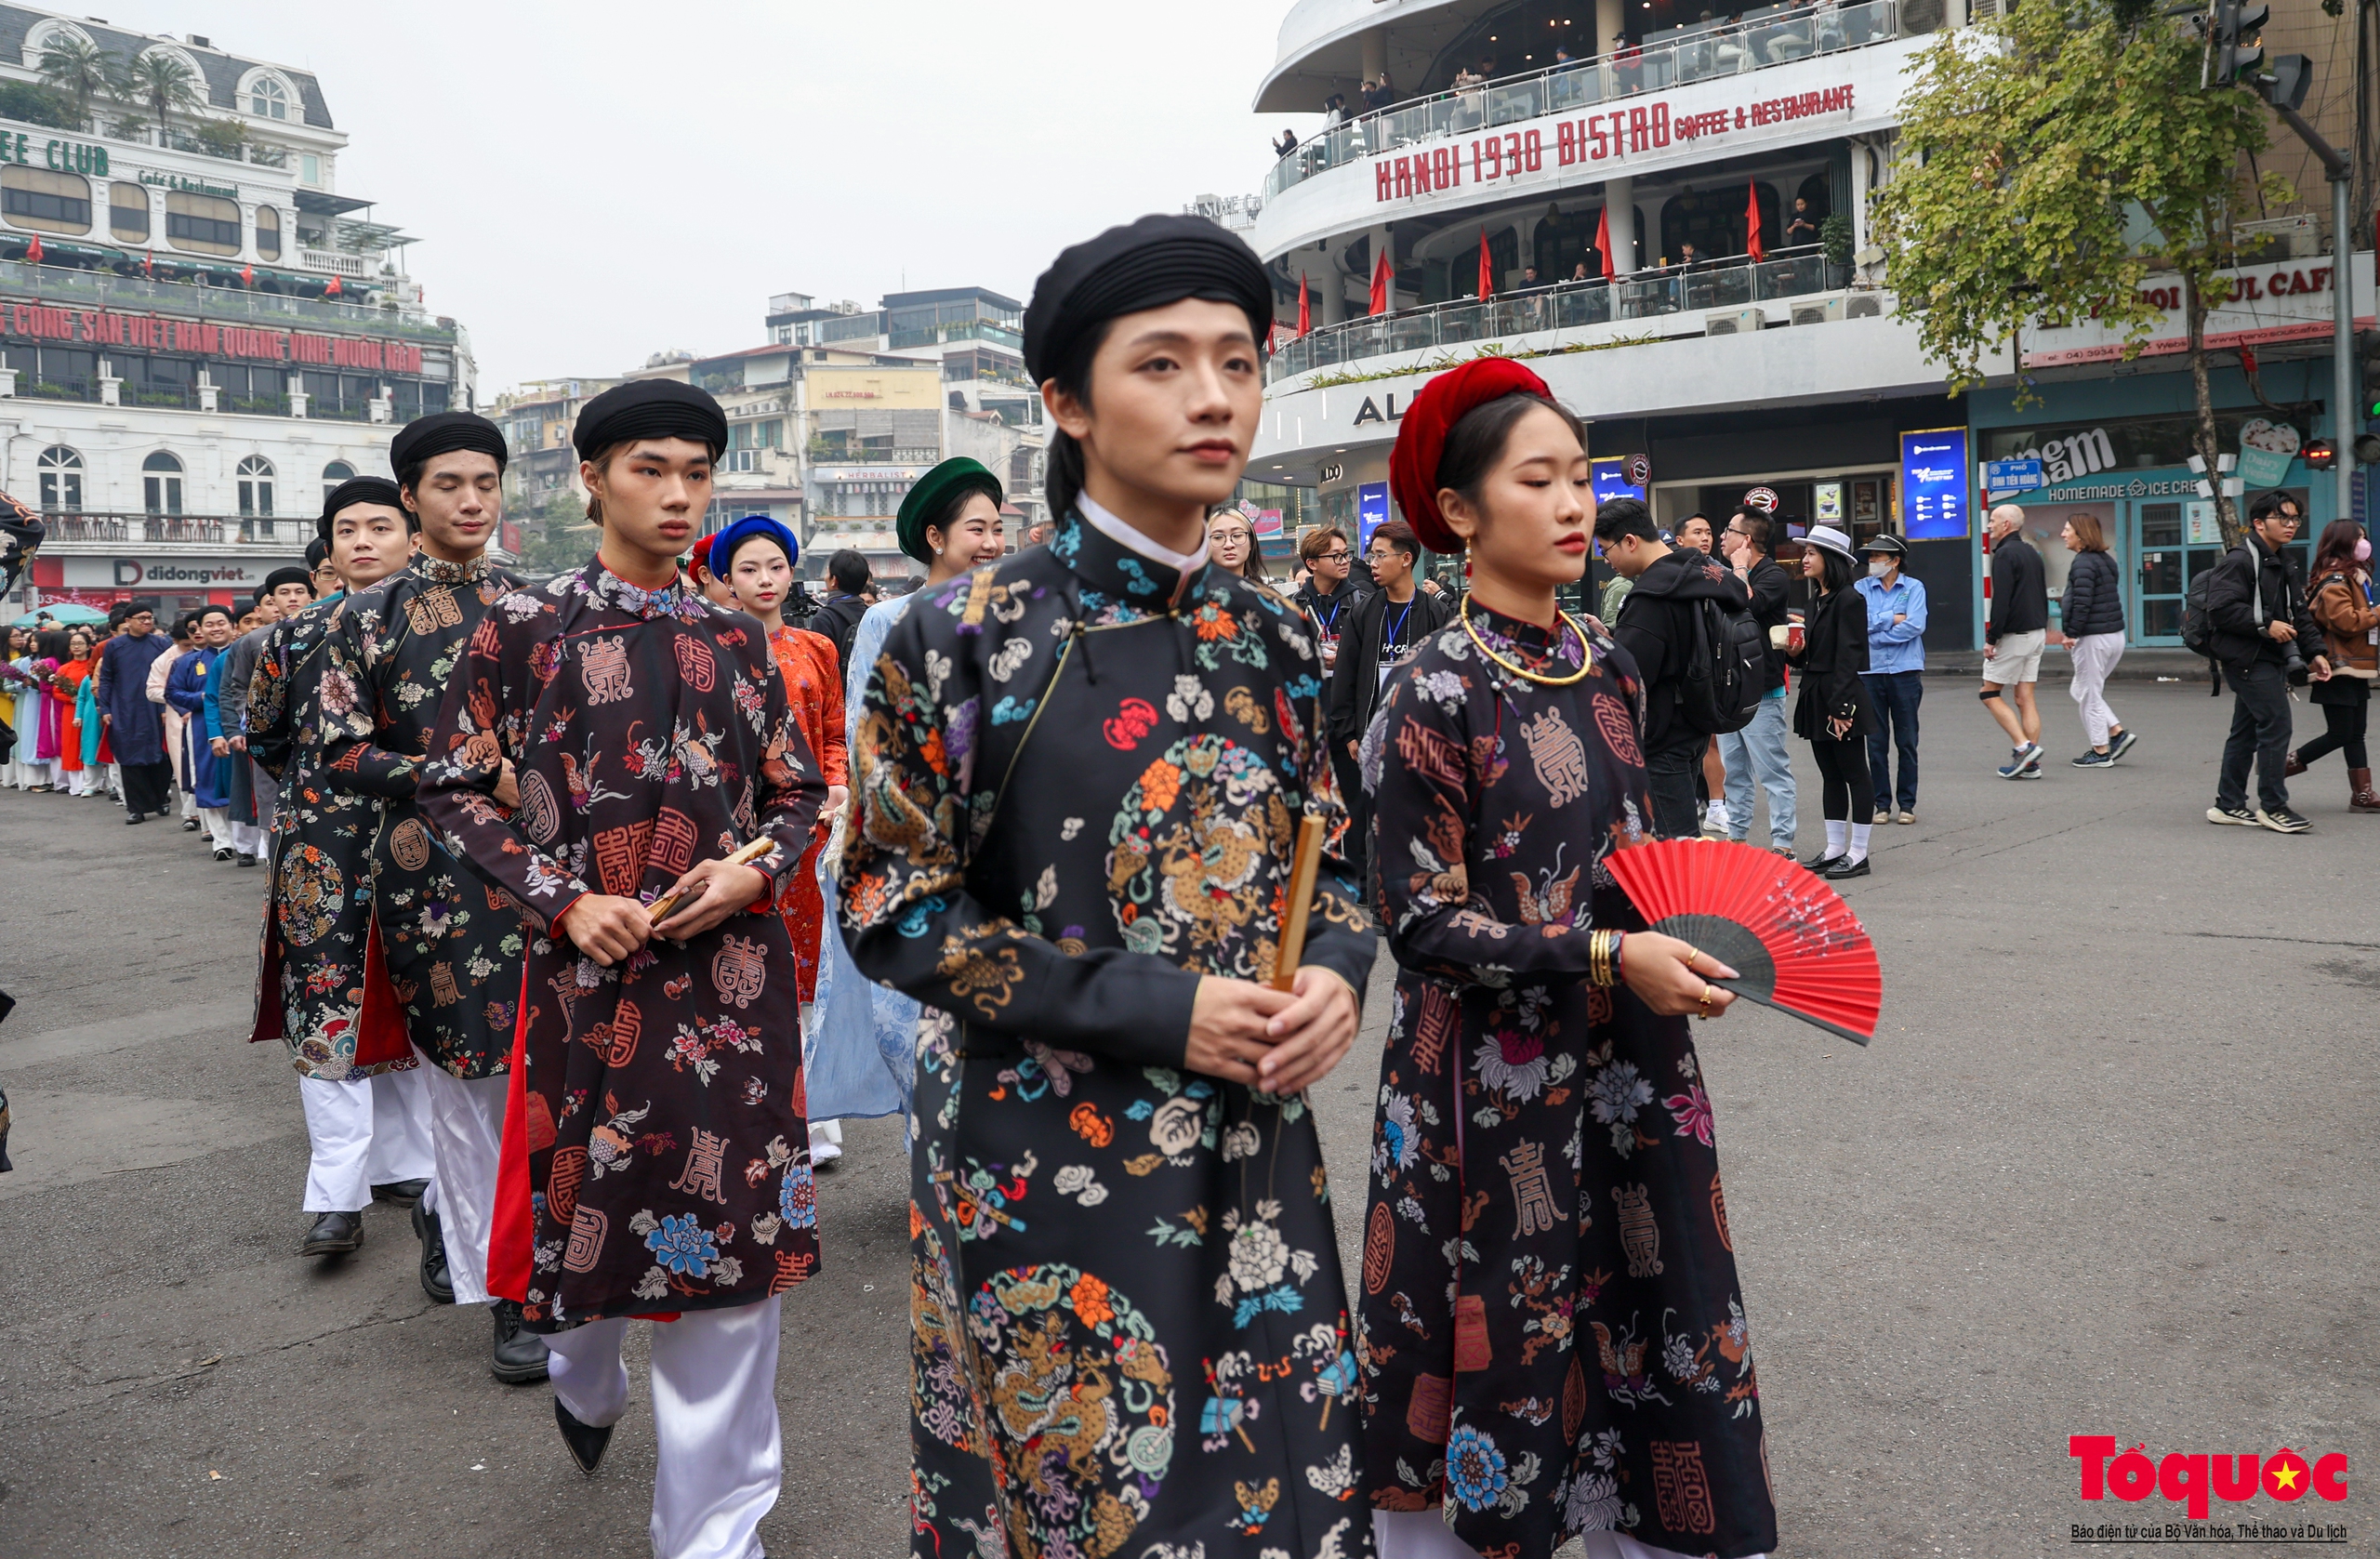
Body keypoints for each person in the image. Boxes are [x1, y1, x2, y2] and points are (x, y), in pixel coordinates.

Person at [841, 212, 1373, 1558]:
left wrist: (1334, 975)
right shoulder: (960, 631)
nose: (1213, 396)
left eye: (1239, 361)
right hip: (1039, 1161)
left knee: (1282, 1493)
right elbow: (891, 906)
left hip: (1256, 1146)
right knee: (1086, 1505)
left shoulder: (1285, 634)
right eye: (1163, 363)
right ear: (1066, 401)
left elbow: (1344, 853)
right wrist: (1151, 1008)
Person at [1366, 355, 1777, 1559]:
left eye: (1581, 477)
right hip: (1484, 1093)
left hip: (1633, 1070)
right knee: (1501, 1328)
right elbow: (1420, 923)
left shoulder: (1610, 662)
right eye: (1535, 479)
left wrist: (1678, 945)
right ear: (1457, 512)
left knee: (1656, 1310)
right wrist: (1607, 957)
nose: (1571, 503)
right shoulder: (1428, 690)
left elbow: (1630, 853)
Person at [416, 377, 826, 1558]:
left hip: (735, 989)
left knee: (734, 1264)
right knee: (588, 1244)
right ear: (590, 477)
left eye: (699, 473)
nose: (680, 494)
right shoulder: (525, 627)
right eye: (653, 469)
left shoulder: (740, 638)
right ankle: (579, 1372)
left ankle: (714, 1535)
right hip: (587, 988)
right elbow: (448, 783)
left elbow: (798, 791)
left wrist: (759, 874)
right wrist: (562, 900)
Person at [317, 412, 549, 1382]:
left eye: (485, 483)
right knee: (472, 1089)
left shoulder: (545, 608)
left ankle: (483, 1238)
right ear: (409, 496)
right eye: (448, 484)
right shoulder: (360, 620)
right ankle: (507, 1295)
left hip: (543, 879)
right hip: (432, 880)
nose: (470, 501)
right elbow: (340, 755)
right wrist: (469, 772)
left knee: (544, 1084)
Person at [246, 478, 436, 1258]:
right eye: (345, 528)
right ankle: (336, 1194)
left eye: (379, 525)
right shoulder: (294, 634)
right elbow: (266, 734)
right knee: (326, 1004)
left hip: (430, 840)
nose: (361, 540)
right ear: (328, 547)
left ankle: (415, 1166)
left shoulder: (448, 626)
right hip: (319, 846)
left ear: (412, 536)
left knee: (428, 998)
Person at [809, 458, 1013, 1157]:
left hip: (1010, 848)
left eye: (998, 528)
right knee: (916, 1020)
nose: (991, 541)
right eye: (975, 528)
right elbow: (871, 741)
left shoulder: (1021, 616)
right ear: (934, 534)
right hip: (917, 852)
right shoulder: (887, 621)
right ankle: (932, 1163)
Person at [707, 513, 853, 1170]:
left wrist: (838, 784)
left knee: (809, 980)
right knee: (744, 976)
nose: (765, 579)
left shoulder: (817, 648)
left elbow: (832, 733)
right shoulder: (709, 647)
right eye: (749, 569)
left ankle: (815, 1123)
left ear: (792, 571)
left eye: (775, 566)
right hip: (740, 838)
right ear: (727, 581)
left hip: (814, 833)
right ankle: (751, 1118)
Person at [1598, 495, 1752, 838]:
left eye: (1606, 549)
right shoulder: (1702, 571)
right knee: (1682, 842)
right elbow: (1737, 596)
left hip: (1662, 737)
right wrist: (1612, 634)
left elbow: (1628, 677)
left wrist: (1601, 648)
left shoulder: (1651, 598)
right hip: (1697, 721)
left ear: (1630, 541)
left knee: (1677, 849)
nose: (1606, 560)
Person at [1330, 518, 1454, 879]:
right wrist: (1350, 732)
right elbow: (1346, 674)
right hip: (1373, 732)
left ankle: (1419, 893)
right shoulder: (1364, 612)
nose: (1372, 563)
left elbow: (1448, 675)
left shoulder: (1435, 612)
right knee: (1375, 822)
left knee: (1421, 818)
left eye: (1380, 555)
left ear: (1406, 559)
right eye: (1371, 555)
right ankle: (1381, 903)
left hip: (1422, 734)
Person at [2205, 491, 2331, 832]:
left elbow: (2299, 614)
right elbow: (2220, 608)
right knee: (2276, 725)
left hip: (2268, 657)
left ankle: (2228, 804)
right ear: (2259, 524)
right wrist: (2265, 624)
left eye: (2295, 519)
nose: (2291, 525)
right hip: (2246, 657)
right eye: (2283, 519)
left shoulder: (2283, 560)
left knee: (2246, 732)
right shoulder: (2240, 560)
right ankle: (2273, 806)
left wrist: (2316, 652)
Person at [1788, 523, 1875, 878]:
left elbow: (1848, 657)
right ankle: (1836, 847)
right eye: (1805, 552)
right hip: (1816, 692)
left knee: (1855, 773)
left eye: (1811, 552)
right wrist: (1794, 653)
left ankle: (1859, 852)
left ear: (1832, 558)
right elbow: (1814, 656)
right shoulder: (1816, 600)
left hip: (1841, 695)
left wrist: (1841, 709)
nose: (1804, 558)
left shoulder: (1850, 599)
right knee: (1830, 774)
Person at [218, 569, 316, 861]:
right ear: (271, 601)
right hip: (274, 738)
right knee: (274, 801)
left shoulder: (330, 630)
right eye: (284, 593)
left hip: (321, 733)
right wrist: (253, 723)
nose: (293, 598)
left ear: (310, 594)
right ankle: (276, 863)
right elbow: (239, 686)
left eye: (299, 591)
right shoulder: (253, 642)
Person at [1714, 509, 1797, 854]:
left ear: (1746, 540)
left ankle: (1783, 844)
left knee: (1772, 771)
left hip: (1762, 690)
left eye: (1728, 530)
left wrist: (1740, 567)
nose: (1721, 536)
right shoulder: (1722, 572)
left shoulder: (1772, 575)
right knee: (1734, 771)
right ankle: (1736, 836)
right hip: (1727, 689)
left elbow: (1745, 602)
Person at [2285, 519, 2378, 812]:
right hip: (2336, 666)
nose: (2364, 543)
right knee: (2340, 732)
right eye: (2358, 537)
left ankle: (2362, 796)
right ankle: (2279, 767)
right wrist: (2377, 614)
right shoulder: (2335, 580)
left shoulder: (2355, 578)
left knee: (2356, 732)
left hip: (2355, 665)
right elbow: (2346, 621)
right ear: (2342, 543)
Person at [1856, 535, 1927, 821]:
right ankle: (1881, 804)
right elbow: (1858, 623)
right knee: (1875, 742)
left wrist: (1877, 629)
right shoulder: (1861, 587)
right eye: (1870, 557)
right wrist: (1891, 618)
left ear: (1895, 560)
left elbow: (1915, 625)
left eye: (1877, 557)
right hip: (1870, 672)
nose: (1872, 562)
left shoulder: (1914, 588)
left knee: (1907, 740)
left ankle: (1907, 804)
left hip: (1905, 671)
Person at [1673, 514, 1734, 835]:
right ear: (1679, 540)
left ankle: (1715, 805)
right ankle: (1705, 802)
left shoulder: (1716, 571)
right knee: (1695, 745)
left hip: (1714, 668)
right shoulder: (1671, 573)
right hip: (1684, 673)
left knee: (1711, 742)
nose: (1706, 537)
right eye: (1697, 532)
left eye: (1709, 531)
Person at [2056, 512, 2132, 771]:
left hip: (2093, 638)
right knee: (2081, 689)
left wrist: (2071, 633)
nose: (2063, 534)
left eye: (2067, 530)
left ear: (2081, 534)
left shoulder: (2083, 563)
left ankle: (2101, 751)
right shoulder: (2105, 560)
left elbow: (2082, 602)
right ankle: (2117, 732)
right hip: (2113, 635)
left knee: (2088, 693)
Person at [1981, 504, 2048, 778]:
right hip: (2037, 633)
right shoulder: (2032, 552)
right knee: (2024, 697)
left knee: (1988, 693)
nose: (1989, 525)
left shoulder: (2005, 555)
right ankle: (2031, 763)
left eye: (1993, 520)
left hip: (2016, 635)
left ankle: (2024, 749)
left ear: (2006, 524)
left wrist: (1991, 638)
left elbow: (2002, 601)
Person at [93, 601, 173, 822]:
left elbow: (170, 675)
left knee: (160, 756)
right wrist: (105, 708)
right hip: (125, 709)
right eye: (141, 618)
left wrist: (168, 706)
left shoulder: (160, 644)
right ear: (128, 622)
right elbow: (106, 679)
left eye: (149, 617)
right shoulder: (114, 646)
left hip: (156, 708)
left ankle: (159, 800)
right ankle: (135, 808)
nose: (147, 621)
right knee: (129, 758)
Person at [1293, 523, 1367, 673]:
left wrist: (1344, 661)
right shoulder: (1293, 605)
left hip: (1348, 692)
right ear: (1312, 563)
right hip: (1311, 691)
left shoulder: (1362, 602)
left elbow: (1372, 654)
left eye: (1346, 554)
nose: (1345, 561)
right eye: (1336, 556)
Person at [147, 614, 194, 819]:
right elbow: (152, 691)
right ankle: (190, 813)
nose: (191, 647)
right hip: (178, 714)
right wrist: (175, 695)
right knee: (183, 764)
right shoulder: (165, 659)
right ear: (175, 641)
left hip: (206, 714)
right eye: (186, 645)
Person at [48, 628, 98, 797]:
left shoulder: (93, 667)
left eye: (80, 643)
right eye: (73, 644)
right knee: (72, 744)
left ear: (89, 646)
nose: (77, 647)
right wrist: (72, 699)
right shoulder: (64, 669)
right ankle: (76, 785)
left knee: (92, 741)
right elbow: (56, 691)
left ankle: (95, 782)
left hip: (92, 709)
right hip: (70, 710)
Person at [808, 547, 873, 672]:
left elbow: (820, 670)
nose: (825, 578)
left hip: (838, 690)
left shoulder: (824, 619)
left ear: (834, 580)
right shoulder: (872, 614)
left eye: (827, 573)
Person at [1206, 504, 1271, 583]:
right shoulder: (1193, 593)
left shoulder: (1265, 594)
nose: (1229, 545)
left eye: (1237, 535)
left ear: (1251, 543)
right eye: (1218, 537)